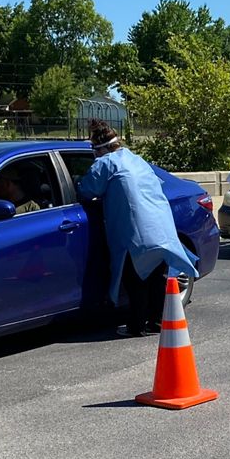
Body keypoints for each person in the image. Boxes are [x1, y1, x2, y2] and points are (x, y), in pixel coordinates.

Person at [77, 119, 199, 337]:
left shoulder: (105, 163)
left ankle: (136, 326)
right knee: (155, 277)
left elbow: (86, 190)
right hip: (160, 228)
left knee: (135, 280)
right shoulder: (137, 160)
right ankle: (159, 322)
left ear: (100, 147)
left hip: (136, 232)